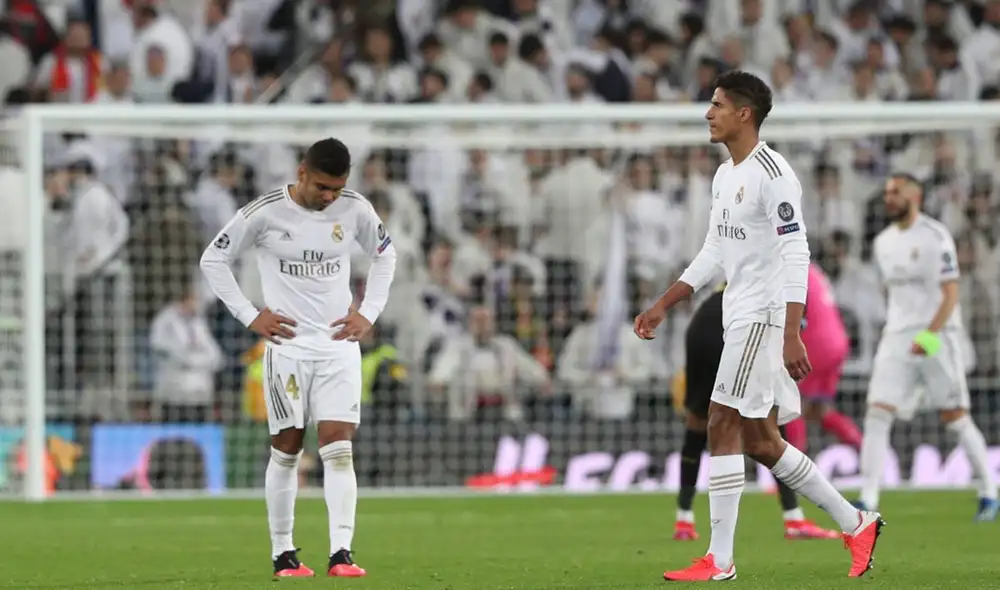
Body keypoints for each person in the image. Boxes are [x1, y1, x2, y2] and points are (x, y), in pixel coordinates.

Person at [634, 71, 882, 581]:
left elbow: (797, 250)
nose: (708, 113)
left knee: (720, 421)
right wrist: (666, 301)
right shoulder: (725, 175)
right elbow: (715, 251)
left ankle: (719, 560)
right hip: (737, 313)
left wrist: (792, 330)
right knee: (763, 442)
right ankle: (856, 522)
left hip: (762, 318)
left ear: (743, 113)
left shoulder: (774, 174)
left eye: (717, 104)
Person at [200, 138, 397, 578]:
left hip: (338, 348)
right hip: (287, 349)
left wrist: (367, 313)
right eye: (323, 187)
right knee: (287, 449)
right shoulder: (265, 212)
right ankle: (283, 553)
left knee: (339, 448)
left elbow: (386, 255)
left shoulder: (355, 208)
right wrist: (251, 315)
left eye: (338, 188)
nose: (330, 197)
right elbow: (213, 258)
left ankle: (341, 553)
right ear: (302, 172)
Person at [858, 173, 997, 522]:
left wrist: (930, 337)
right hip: (897, 336)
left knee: (954, 417)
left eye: (895, 192)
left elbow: (951, 293)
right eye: (886, 192)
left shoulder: (936, 236)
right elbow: (892, 293)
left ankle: (989, 493)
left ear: (914, 196)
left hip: (938, 336)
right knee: (877, 412)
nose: (888, 198)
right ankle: (867, 500)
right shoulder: (883, 242)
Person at [674, 283, 839, 542]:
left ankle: (684, 520)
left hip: (704, 322)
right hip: (745, 320)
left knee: (699, 422)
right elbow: (792, 326)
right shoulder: (788, 269)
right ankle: (794, 518)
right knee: (770, 428)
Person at [782, 262, 861, 453]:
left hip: (814, 342)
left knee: (790, 404)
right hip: (837, 340)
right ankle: (865, 450)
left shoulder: (785, 266)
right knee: (818, 411)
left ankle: (793, 472)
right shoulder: (810, 266)